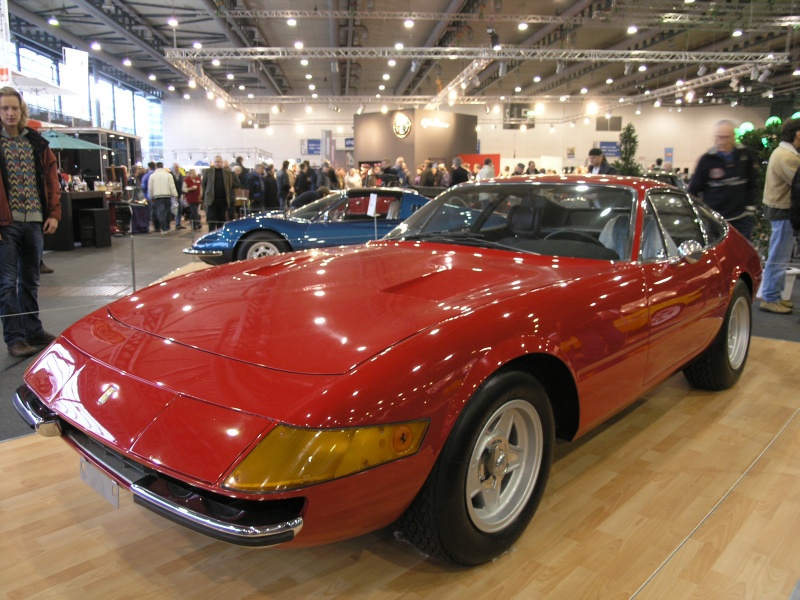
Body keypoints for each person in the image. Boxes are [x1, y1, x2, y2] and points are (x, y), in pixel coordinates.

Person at [0, 86, 61, 357]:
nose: (10, 113)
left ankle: (33, 330)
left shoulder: (36, 142)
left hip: (35, 221)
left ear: (22, 110)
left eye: (14, 108)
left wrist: (54, 214)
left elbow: (52, 180)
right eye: (4, 108)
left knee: (30, 280)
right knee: (6, 282)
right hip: (6, 224)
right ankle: (15, 338)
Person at [688, 120, 759, 240]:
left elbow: (753, 182)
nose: (722, 141)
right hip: (715, 220)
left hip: (741, 218)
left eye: (726, 137)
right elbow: (694, 189)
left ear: (733, 137)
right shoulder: (707, 160)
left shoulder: (746, 155)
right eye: (719, 137)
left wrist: (750, 206)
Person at [757, 118, 800, 314]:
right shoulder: (787, 157)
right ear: (798, 134)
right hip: (782, 210)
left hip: (782, 209)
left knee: (781, 254)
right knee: (779, 255)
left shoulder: (784, 153)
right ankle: (770, 297)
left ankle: (775, 294)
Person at [201, 155, 239, 231]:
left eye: (218, 162)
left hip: (223, 200)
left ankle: (220, 233)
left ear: (221, 163)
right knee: (211, 218)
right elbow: (204, 184)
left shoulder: (227, 173)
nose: (217, 163)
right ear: (213, 163)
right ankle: (211, 234)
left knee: (222, 218)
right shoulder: (207, 171)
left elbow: (230, 184)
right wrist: (207, 193)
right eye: (215, 162)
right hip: (212, 200)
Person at [148, 162, 178, 234]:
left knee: (161, 213)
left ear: (156, 167)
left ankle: (164, 229)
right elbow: (172, 186)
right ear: (162, 166)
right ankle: (167, 227)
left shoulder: (152, 176)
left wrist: (151, 196)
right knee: (168, 212)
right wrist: (175, 195)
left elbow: (150, 188)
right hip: (167, 196)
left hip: (158, 197)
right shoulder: (168, 175)